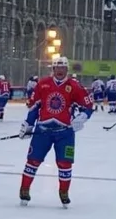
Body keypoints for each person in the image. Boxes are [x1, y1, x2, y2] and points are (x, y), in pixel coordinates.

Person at [18, 56, 92, 207]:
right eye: (57, 68)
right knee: (33, 161)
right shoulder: (43, 84)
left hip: (65, 132)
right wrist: (28, 124)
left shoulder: (75, 86)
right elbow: (34, 107)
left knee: (65, 163)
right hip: (43, 131)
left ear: (67, 69)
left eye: (63, 68)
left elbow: (88, 106)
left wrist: (82, 117)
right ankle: (24, 189)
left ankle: (64, 192)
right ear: (53, 69)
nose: (60, 71)